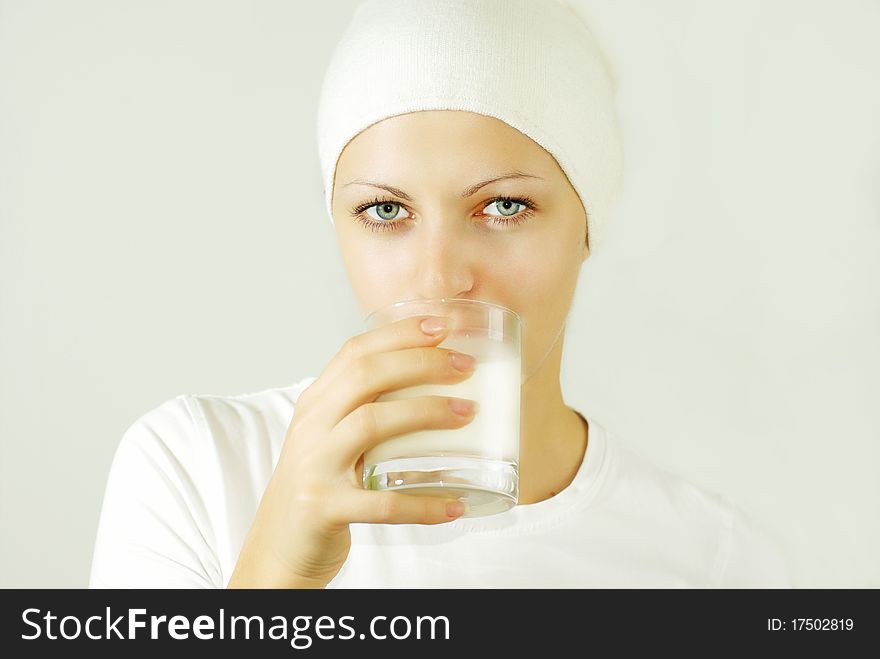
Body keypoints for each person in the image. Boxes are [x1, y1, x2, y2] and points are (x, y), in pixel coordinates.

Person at [89, 0, 794, 588]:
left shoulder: (719, 563)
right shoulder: (198, 468)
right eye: (386, 211)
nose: (439, 278)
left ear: (590, 222)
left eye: (505, 206)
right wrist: (277, 569)